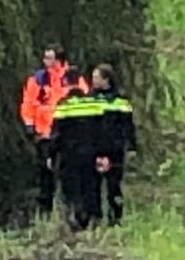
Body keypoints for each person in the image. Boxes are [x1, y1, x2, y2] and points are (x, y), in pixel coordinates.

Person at [19, 45, 86, 215]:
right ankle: (45, 208)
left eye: (49, 58)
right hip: (44, 133)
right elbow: (28, 103)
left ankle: (70, 207)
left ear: (59, 60)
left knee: (69, 171)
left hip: (67, 132)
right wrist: (29, 124)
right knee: (45, 173)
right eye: (45, 58)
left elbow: (84, 97)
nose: (45, 62)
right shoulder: (38, 79)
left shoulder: (73, 77)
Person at [48, 69, 106, 231]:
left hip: (69, 154)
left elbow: (56, 134)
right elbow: (100, 132)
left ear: (65, 83)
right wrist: (102, 153)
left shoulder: (63, 106)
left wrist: (51, 154)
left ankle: (76, 214)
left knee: (72, 186)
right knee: (90, 184)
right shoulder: (93, 104)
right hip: (90, 152)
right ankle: (91, 216)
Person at [90, 63, 137, 227]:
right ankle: (94, 217)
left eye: (97, 77)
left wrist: (131, 147)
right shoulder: (89, 100)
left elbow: (128, 127)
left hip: (114, 149)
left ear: (106, 79)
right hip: (93, 148)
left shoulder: (121, 102)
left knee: (113, 185)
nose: (93, 80)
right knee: (93, 185)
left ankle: (115, 218)